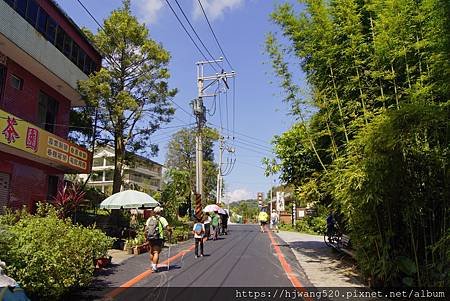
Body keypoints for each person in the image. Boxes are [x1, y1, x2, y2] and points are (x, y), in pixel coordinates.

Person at [145, 206, 171, 272]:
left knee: (151, 251)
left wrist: (146, 237)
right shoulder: (162, 219)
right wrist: (170, 231)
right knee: (156, 252)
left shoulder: (150, 219)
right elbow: (167, 227)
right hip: (158, 237)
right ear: (160, 212)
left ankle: (152, 264)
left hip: (150, 237)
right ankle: (154, 267)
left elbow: (145, 229)